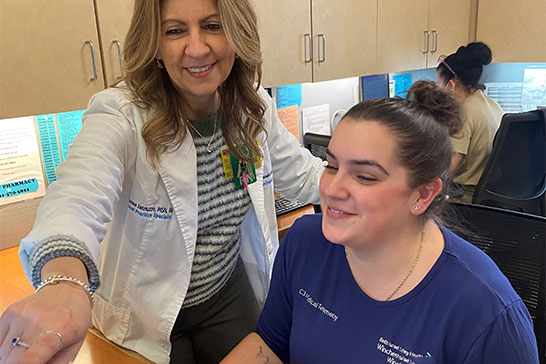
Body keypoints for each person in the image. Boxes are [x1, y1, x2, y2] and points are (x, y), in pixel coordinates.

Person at [0, 0, 324, 363]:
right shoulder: (121, 115)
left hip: (227, 293)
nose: (197, 48)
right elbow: (76, 197)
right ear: (154, 43)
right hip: (146, 312)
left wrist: (374, 187)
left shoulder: (250, 108)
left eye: (213, 26)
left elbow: (305, 175)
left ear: (237, 33)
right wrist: (63, 283)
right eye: (175, 30)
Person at [221, 80, 540, 364]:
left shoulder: (485, 312)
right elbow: (271, 344)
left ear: (424, 194)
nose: (331, 189)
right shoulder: (304, 244)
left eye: (364, 176)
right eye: (331, 166)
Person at [436, 41, 504, 202]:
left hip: (465, 198)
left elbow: (451, 165)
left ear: (451, 85)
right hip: (489, 194)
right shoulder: (491, 104)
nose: (438, 91)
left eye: (438, 85)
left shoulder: (463, 112)